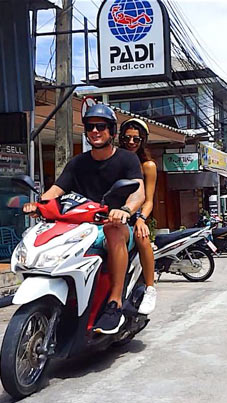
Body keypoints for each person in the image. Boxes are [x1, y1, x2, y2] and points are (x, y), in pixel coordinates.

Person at [23, 104, 145, 335]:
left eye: (101, 126)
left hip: (115, 225)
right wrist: (38, 205)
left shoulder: (127, 159)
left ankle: (114, 302)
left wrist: (126, 210)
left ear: (111, 130)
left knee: (114, 230)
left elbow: (138, 192)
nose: (95, 131)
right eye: (91, 127)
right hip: (81, 226)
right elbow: (56, 190)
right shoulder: (78, 163)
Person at [119, 117, 158, 315]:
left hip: (137, 215)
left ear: (143, 141)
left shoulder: (148, 166)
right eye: (127, 139)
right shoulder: (115, 160)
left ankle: (150, 287)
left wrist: (141, 218)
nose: (131, 143)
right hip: (114, 213)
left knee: (142, 238)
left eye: (136, 139)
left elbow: (149, 199)